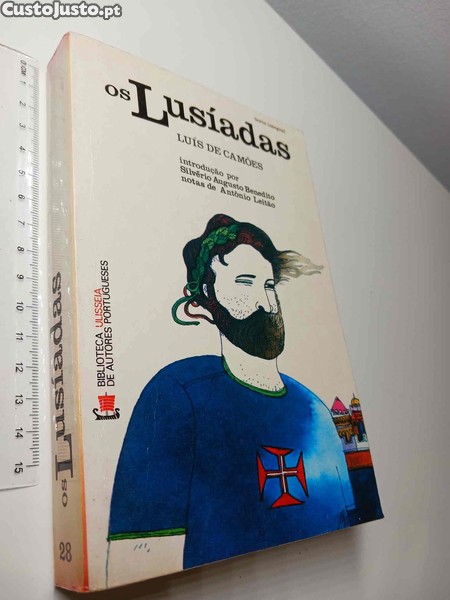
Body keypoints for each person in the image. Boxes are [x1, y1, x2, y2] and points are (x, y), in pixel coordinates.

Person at [108, 214, 354, 573]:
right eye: (244, 283)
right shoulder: (176, 395)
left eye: (268, 286)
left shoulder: (314, 409)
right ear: (205, 299)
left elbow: (344, 526)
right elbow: (137, 558)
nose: (266, 302)